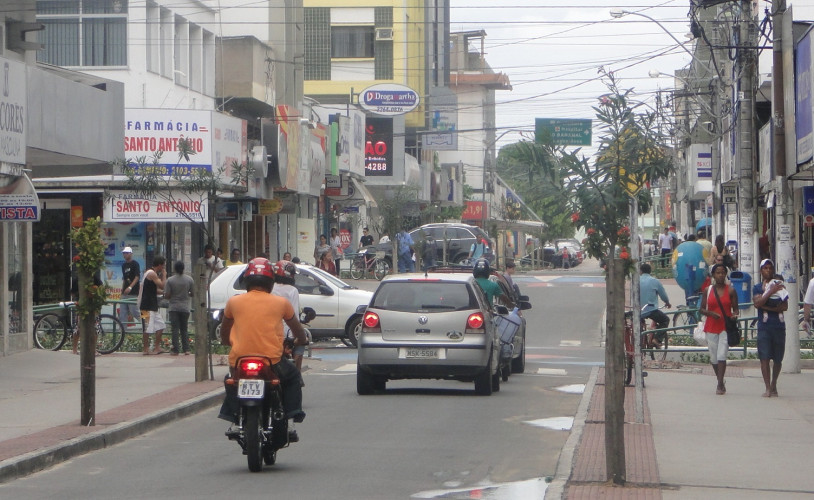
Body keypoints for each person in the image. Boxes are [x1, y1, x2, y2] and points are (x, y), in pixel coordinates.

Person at [219, 258, 307, 438]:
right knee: (292, 377)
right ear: (270, 281)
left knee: (232, 381)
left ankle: (234, 418)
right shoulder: (281, 303)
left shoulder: (234, 302)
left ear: (246, 280)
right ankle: (291, 419)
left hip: (239, 360)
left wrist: (227, 342)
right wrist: (301, 339)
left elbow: (224, 331)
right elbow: (297, 329)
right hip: (272, 361)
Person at [698, 263, 739, 395]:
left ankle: (720, 384)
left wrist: (734, 316)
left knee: (722, 355)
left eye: (723, 272)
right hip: (711, 326)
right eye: (718, 273)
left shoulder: (731, 290)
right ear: (713, 275)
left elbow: (736, 309)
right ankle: (720, 379)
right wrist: (711, 314)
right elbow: (702, 309)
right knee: (714, 357)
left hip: (725, 327)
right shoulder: (708, 290)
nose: (721, 275)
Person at [752, 259, 789, 397]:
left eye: (770, 268)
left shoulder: (780, 286)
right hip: (764, 327)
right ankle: (767, 387)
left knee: (778, 359)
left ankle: (774, 383)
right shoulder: (757, 287)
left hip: (778, 326)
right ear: (761, 271)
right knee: (764, 357)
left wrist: (765, 306)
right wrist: (770, 292)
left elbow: (784, 306)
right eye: (765, 268)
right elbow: (757, 303)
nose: (768, 270)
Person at [271, 260, 305, 372]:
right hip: (285, 334)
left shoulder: (269, 288)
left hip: (268, 332)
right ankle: (297, 374)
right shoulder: (292, 291)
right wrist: (293, 339)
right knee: (302, 342)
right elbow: (293, 315)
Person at [138, 256, 168, 355]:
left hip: (152, 305)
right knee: (147, 327)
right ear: (159, 265)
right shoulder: (151, 273)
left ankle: (157, 347)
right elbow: (162, 285)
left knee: (161, 325)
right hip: (146, 306)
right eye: (163, 266)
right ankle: (145, 348)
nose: (163, 268)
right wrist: (164, 275)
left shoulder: (150, 273)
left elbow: (153, 289)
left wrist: (163, 294)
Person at [163, 261, 194, 355]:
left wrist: (171, 296)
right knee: (184, 329)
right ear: (183, 268)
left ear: (175, 269)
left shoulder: (170, 280)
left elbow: (167, 295)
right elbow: (192, 293)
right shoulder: (189, 280)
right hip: (185, 308)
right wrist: (186, 294)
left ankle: (175, 349)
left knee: (175, 329)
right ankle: (186, 349)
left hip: (174, 308)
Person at [639, 263, 672, 348]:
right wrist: (667, 303)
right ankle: (657, 339)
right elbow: (663, 295)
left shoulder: (636, 280)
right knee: (665, 320)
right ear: (650, 271)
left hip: (637, 310)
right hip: (650, 310)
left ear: (641, 271)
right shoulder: (655, 281)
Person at [120, 247, 141, 326]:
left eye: (126, 253)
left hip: (133, 292)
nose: (125, 254)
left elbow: (137, 277)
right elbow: (125, 279)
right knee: (122, 314)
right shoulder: (124, 265)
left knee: (135, 312)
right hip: (125, 293)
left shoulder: (135, 264)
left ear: (131, 254)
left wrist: (130, 287)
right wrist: (122, 291)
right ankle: (122, 332)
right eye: (124, 253)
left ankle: (147, 325)